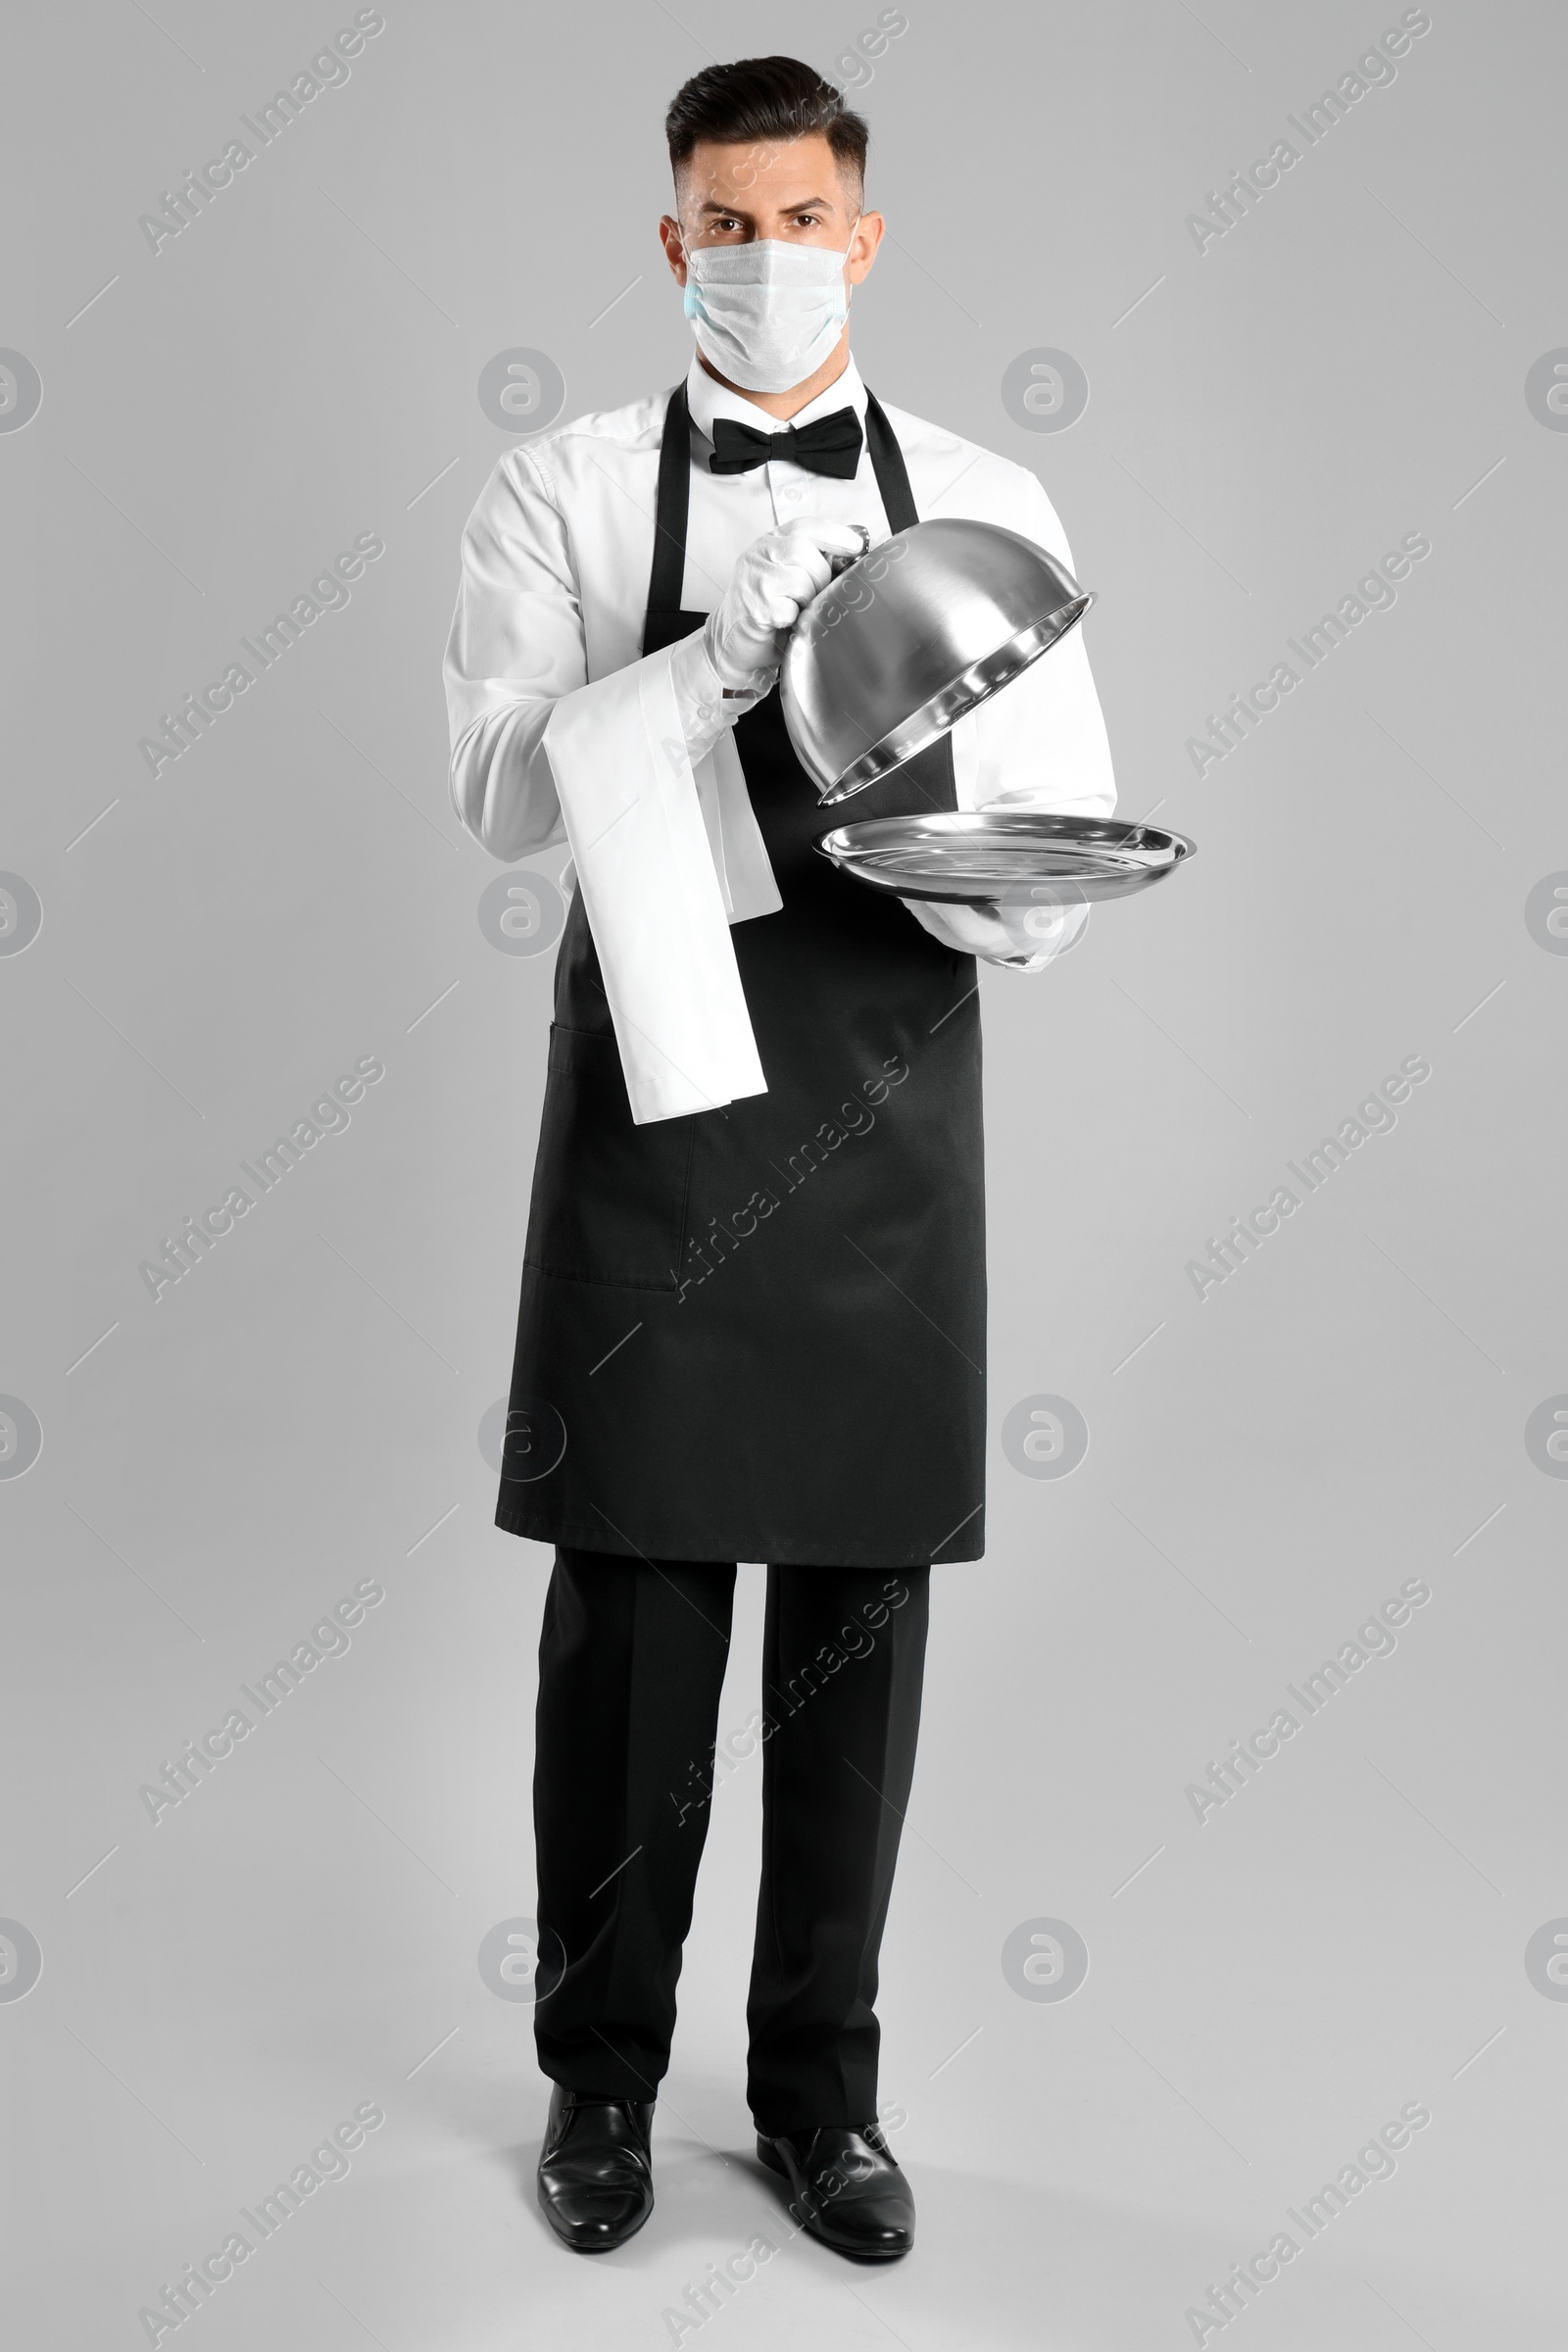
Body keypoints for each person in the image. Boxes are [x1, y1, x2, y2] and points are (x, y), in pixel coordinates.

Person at [444, 54, 1115, 2262]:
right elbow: (505, 802)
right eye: (719, 225)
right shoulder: (552, 491)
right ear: (667, 240)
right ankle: (599, 2090)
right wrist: (710, 674)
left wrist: (949, 850)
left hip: (876, 1109)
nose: (759, 259)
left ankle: (821, 2100)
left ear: (864, 228)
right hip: (654, 1098)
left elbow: (1039, 865)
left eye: (795, 218)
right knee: (628, 1621)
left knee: (857, 1625)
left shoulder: (986, 488)